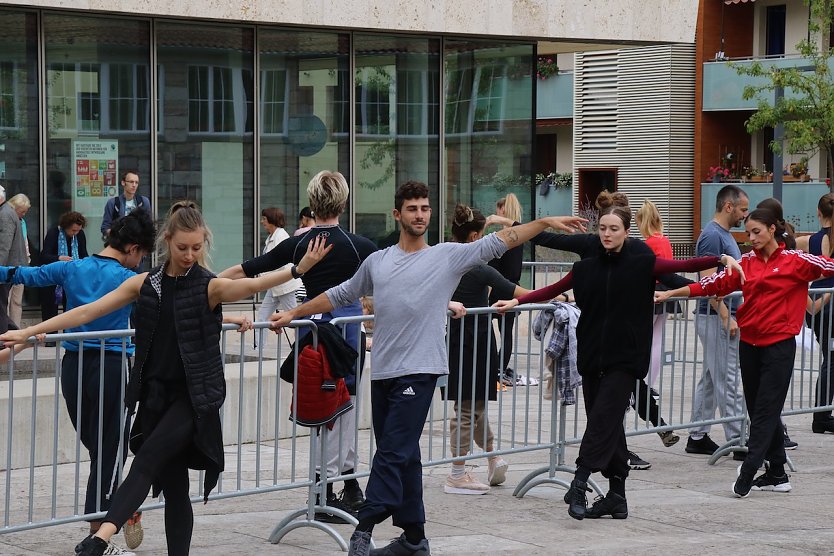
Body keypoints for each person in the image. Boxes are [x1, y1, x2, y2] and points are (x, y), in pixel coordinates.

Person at [270, 181, 587, 556]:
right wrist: (293, 312)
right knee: (405, 456)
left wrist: (544, 221)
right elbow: (341, 294)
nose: (420, 214)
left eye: (425, 208)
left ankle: (366, 526)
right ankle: (415, 539)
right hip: (384, 370)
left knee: (390, 452)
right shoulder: (378, 261)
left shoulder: (447, 256)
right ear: (397, 214)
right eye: (412, 208)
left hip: (419, 371)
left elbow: (503, 240)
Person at [0, 203, 330, 556]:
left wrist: (298, 268)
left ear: (205, 244)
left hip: (194, 399)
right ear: (167, 241)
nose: (190, 255)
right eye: (182, 247)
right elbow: (87, 311)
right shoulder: (145, 283)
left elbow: (255, 283)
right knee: (173, 487)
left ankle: (99, 538)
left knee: (146, 461)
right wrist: (29, 332)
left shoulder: (210, 286)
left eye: (197, 248)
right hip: (156, 395)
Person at [494, 192, 734, 520]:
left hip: (626, 357)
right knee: (605, 424)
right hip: (592, 356)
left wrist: (721, 261)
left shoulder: (642, 262)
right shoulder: (585, 268)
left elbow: (683, 266)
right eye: (603, 229)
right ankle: (617, 496)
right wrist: (514, 302)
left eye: (614, 229)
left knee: (605, 418)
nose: (607, 234)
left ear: (625, 232)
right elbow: (547, 291)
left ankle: (579, 481)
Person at [219, 171, 377, 520]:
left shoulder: (299, 243)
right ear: (344, 201)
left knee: (326, 410)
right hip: (346, 334)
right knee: (343, 407)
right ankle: (332, 485)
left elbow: (251, 267)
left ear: (312, 201)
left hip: (311, 331)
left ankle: (343, 482)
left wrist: (212, 282)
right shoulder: (358, 245)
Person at [0, 209, 154, 555]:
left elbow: (22, 273)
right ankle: (110, 522)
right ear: (132, 247)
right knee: (107, 449)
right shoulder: (130, 278)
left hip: (73, 366)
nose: (140, 260)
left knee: (102, 448)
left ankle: (108, 520)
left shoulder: (72, 267)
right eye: (141, 253)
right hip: (112, 365)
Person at [655, 207, 834, 497]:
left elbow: (828, 266)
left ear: (772, 230)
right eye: (747, 233)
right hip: (749, 345)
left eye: (756, 232)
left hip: (779, 345)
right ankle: (776, 472)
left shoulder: (796, 260)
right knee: (758, 409)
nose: (751, 238)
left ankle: (750, 467)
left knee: (765, 409)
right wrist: (670, 293)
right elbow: (709, 284)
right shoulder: (744, 264)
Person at [443, 204, 531, 495]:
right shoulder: (478, 268)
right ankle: (457, 472)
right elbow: (518, 292)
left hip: (456, 338)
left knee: (474, 404)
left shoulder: (443, 259)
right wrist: (562, 295)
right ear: (474, 237)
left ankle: (492, 456)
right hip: (475, 340)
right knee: (467, 408)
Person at [685, 184, 748, 459]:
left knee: (713, 377)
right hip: (716, 316)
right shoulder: (712, 236)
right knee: (727, 378)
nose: (745, 215)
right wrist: (726, 317)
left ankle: (697, 436)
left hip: (719, 315)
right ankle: (738, 440)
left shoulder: (721, 234)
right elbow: (708, 283)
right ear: (729, 206)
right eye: (743, 209)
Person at [634, 200, 681, 449]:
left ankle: (646, 383)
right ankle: (650, 384)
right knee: (657, 340)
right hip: (665, 291)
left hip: (651, 294)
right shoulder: (664, 240)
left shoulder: (648, 243)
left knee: (647, 340)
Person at [797, 193, 834, 435]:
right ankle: (821, 416)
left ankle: (822, 415)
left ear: (818, 213)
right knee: (831, 358)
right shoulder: (823, 240)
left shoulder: (809, 240)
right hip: (827, 305)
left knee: (830, 357)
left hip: (817, 303)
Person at [486, 193, 530, 386]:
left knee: (490, 331)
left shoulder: (504, 238)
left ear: (502, 211)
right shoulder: (517, 238)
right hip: (511, 289)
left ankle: (495, 368)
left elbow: (492, 269)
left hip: (499, 290)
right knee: (506, 333)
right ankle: (499, 368)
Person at [255, 207, 301, 336]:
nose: (261, 221)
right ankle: (259, 352)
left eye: (264, 219)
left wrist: (262, 276)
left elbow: (281, 262)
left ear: (271, 219)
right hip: (275, 286)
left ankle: (304, 344)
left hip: (284, 286)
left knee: (295, 320)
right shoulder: (272, 237)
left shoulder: (281, 236)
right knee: (263, 317)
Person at [40, 211, 89, 322]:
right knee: (50, 312)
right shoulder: (54, 233)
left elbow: (83, 254)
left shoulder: (80, 235)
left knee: (71, 312)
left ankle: (70, 337)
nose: (75, 233)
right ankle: (51, 337)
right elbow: (44, 256)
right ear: (66, 226)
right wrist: (59, 258)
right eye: (73, 230)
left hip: (72, 278)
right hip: (53, 278)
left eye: (78, 230)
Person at [0, 185, 28, 332]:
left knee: (1, 306)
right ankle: (15, 333)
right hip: (9, 268)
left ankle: (6, 339)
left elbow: (4, 246)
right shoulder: (7, 213)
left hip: (6, 269)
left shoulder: (4, 214)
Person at [101, 170, 151, 238]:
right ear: (123, 183)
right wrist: (116, 234)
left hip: (137, 243)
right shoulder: (113, 203)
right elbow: (105, 228)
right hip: (119, 244)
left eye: (136, 182)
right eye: (131, 182)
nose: (134, 185)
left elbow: (149, 225)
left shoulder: (144, 201)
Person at [6, 193, 31, 326]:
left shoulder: (22, 222)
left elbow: (25, 242)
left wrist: (27, 258)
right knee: (6, 299)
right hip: (8, 265)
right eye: (22, 212)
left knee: (17, 301)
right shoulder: (7, 219)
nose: (24, 214)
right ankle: (5, 327)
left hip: (21, 264)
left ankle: (15, 327)